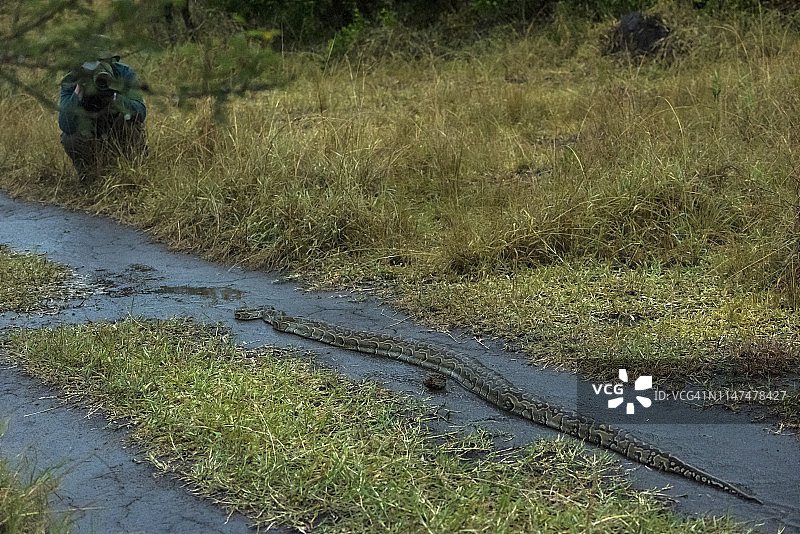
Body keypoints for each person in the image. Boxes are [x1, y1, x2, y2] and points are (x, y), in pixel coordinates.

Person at [59, 51, 147, 181]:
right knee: (70, 138)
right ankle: (89, 174)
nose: (98, 68)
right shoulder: (72, 79)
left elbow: (141, 112)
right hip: (90, 132)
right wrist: (79, 91)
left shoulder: (123, 72)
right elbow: (65, 125)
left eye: (103, 63)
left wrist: (116, 98)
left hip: (117, 129)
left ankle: (130, 171)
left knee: (128, 121)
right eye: (92, 64)